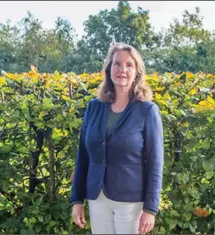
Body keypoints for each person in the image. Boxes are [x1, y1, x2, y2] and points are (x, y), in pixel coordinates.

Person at [69, 43, 164, 234]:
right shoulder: (94, 107)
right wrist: (76, 199)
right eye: (117, 64)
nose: (122, 69)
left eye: (129, 65)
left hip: (131, 202)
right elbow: (83, 155)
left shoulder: (147, 110)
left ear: (137, 72)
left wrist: (150, 209)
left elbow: (156, 162)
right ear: (108, 70)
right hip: (97, 198)